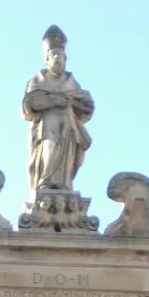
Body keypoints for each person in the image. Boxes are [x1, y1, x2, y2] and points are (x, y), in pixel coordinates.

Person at [22, 26, 94, 195]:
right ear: (47, 59)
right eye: (53, 55)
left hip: (69, 128)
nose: (57, 58)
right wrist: (53, 100)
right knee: (51, 147)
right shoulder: (38, 80)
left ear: (65, 58)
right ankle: (45, 181)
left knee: (67, 155)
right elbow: (30, 103)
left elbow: (87, 105)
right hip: (48, 127)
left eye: (60, 55)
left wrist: (71, 101)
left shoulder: (72, 83)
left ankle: (64, 183)